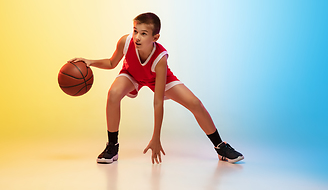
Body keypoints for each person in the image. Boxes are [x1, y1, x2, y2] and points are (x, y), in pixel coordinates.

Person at [70, 12, 244, 164]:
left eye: (143, 34)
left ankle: (220, 146)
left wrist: (156, 137)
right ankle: (112, 146)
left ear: (155, 37)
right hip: (132, 75)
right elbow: (111, 62)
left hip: (157, 79)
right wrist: (90, 62)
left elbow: (158, 102)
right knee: (113, 94)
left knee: (195, 103)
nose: (137, 37)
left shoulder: (160, 59)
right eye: (135, 31)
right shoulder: (126, 41)